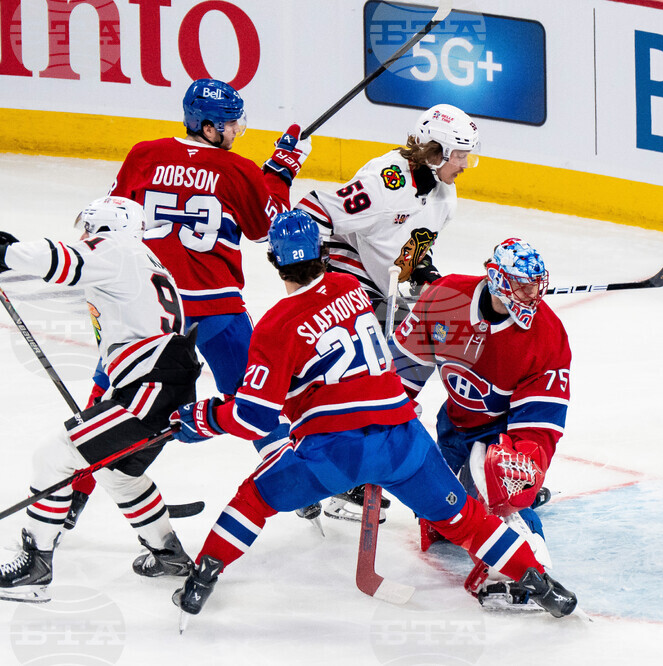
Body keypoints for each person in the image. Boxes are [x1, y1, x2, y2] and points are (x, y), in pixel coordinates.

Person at [167, 210, 576, 624]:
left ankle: (202, 578)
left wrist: (199, 418)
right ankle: (544, 585)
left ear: (273, 259)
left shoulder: (275, 325)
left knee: (253, 499)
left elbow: (253, 418)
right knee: (466, 520)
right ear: (323, 252)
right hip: (403, 440)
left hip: (335, 452)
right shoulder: (351, 289)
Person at [65, 78, 311, 528]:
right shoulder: (239, 171)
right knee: (256, 401)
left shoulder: (144, 154)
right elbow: (267, 229)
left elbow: (108, 220)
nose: (236, 131)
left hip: (149, 307)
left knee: (106, 399)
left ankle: (71, 493)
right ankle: (292, 483)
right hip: (216, 308)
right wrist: (280, 171)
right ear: (210, 126)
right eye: (231, 124)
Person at [0, 196, 202, 603]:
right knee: (116, 474)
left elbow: (63, 259)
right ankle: (169, 555)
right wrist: (7, 258)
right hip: (158, 385)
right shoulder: (141, 259)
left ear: (105, 227)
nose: (86, 236)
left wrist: (1, 254)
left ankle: (35, 567)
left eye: (90, 229)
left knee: (53, 458)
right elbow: (69, 263)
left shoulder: (118, 249)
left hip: (151, 388)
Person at [294, 102, 478, 519]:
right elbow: (313, 210)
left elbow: (410, 252)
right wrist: (316, 285)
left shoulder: (444, 197)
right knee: (352, 381)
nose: (466, 165)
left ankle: (347, 470)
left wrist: (424, 272)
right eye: (459, 155)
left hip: (382, 287)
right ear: (436, 151)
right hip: (344, 275)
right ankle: (312, 472)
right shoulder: (386, 181)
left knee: (411, 360)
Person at [389, 237, 571, 609]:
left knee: (499, 488)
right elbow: (404, 372)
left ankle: (525, 568)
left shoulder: (548, 336)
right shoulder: (445, 298)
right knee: (441, 520)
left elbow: (540, 425)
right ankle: (482, 497)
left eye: (536, 285)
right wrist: (381, 418)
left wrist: (520, 477)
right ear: (496, 279)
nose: (533, 295)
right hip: (453, 425)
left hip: (501, 434)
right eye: (522, 285)